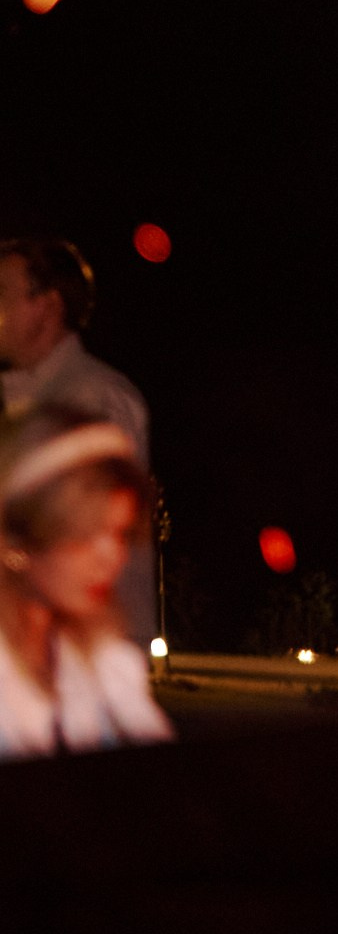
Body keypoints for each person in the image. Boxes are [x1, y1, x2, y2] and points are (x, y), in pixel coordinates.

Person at [0, 238, 153, 638]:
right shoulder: (24, 401)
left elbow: (86, 534)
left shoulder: (93, 400)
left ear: (48, 306)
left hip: (75, 646)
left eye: (2, 293)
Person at [0, 406, 171, 757]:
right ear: (19, 537)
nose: (114, 556)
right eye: (87, 533)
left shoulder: (106, 663)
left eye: (119, 533)